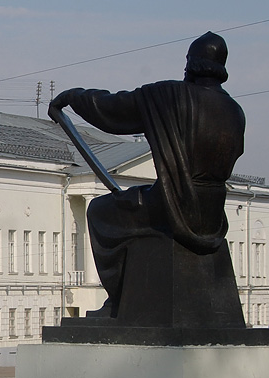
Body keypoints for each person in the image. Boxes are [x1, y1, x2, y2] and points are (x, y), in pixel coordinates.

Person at [49, 31, 244, 319]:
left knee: (102, 211)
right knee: (126, 208)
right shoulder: (234, 111)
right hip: (212, 214)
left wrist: (72, 97)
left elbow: (113, 109)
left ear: (192, 64)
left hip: (172, 206)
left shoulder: (170, 96)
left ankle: (120, 302)